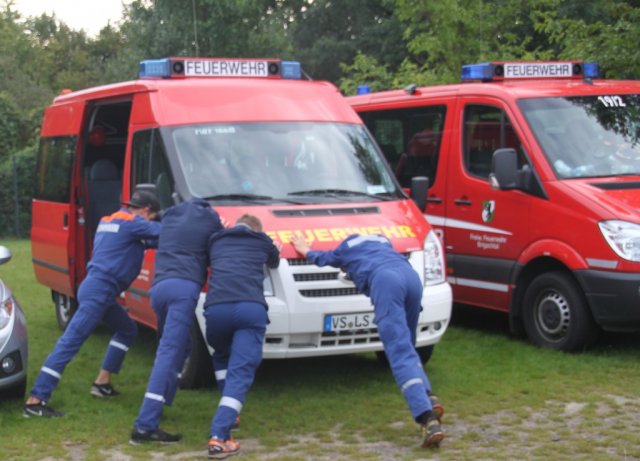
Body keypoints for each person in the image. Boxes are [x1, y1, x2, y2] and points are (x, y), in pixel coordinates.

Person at [290, 233, 445, 448]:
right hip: (411, 278)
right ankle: (429, 396)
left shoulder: (345, 247)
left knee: (398, 352)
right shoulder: (382, 240)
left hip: (386, 282)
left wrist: (305, 249)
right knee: (408, 346)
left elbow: (322, 258)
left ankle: (426, 417)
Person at [23, 190, 162, 417]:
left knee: (127, 330)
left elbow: (147, 239)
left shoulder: (109, 220)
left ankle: (102, 382)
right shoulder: (132, 223)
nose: (151, 221)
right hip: (100, 291)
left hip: (95, 288)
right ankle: (36, 400)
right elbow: (164, 232)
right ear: (146, 211)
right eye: (153, 216)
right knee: (69, 343)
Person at [130, 198, 223, 444]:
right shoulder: (210, 218)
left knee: (182, 347)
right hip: (184, 288)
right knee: (169, 352)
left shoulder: (170, 216)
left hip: (159, 288)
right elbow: (220, 248)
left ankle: (163, 400)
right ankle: (144, 426)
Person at [204, 214, 280, 459]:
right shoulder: (262, 240)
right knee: (241, 373)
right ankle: (219, 437)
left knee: (221, 356)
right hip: (250, 309)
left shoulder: (215, 239)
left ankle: (231, 410)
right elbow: (274, 261)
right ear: (256, 229)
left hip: (216, 310)